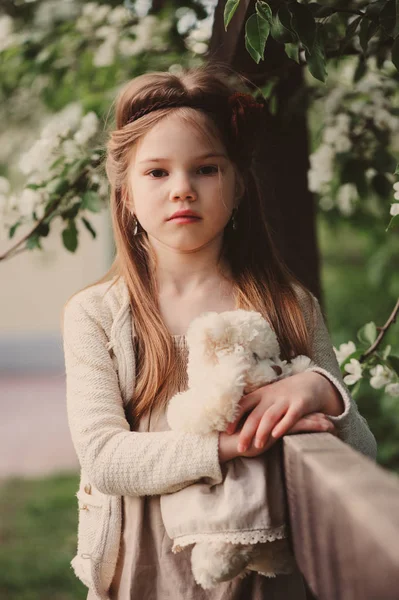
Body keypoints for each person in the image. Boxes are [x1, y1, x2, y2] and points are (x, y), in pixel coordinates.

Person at [62, 63, 377, 600]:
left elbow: (360, 455)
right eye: (157, 173)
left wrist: (324, 389)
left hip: (263, 574)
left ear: (237, 186)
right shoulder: (96, 314)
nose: (182, 189)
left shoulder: (287, 304)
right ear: (125, 194)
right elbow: (105, 458)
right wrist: (227, 446)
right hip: (149, 569)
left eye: (205, 169)